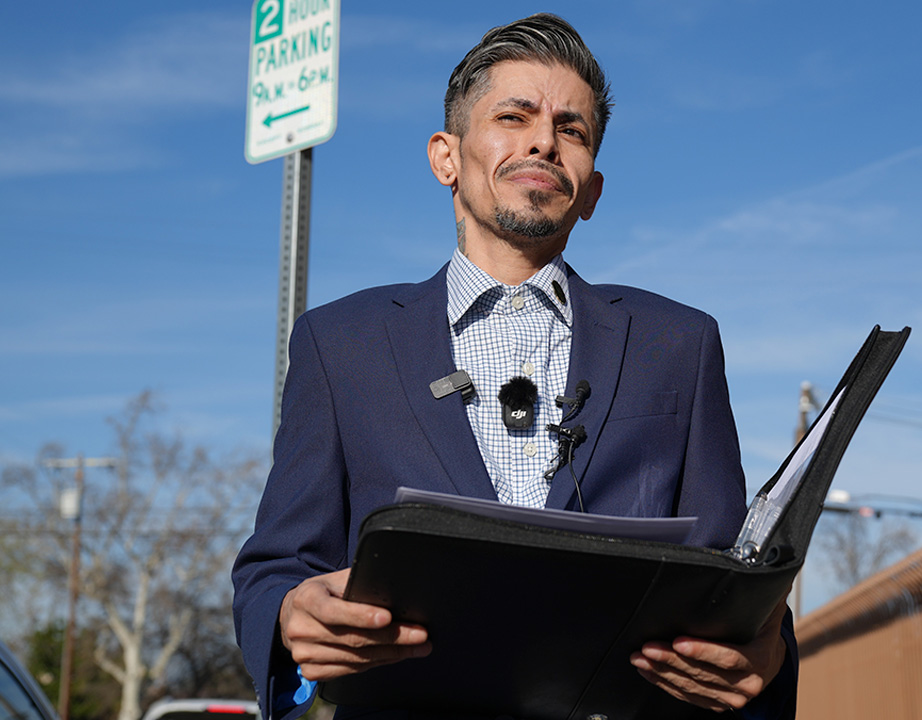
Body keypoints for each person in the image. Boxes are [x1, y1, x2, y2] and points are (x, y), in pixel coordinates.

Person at [232, 13, 797, 720]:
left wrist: (767, 656)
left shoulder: (680, 343)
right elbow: (276, 565)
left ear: (590, 190)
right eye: (515, 115)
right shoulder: (340, 342)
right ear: (446, 156)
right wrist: (289, 613)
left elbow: (732, 583)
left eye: (573, 130)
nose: (544, 140)